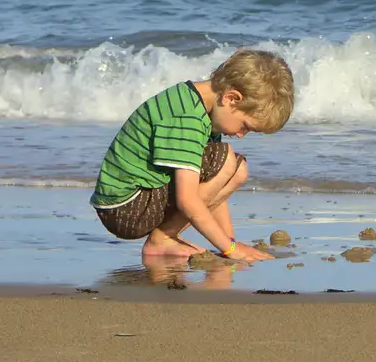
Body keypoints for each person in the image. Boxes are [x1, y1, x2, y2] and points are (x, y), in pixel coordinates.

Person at [91, 49, 294, 263]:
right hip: (126, 208)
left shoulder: (203, 109)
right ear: (231, 98)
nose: (241, 135)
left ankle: (164, 237)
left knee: (236, 167)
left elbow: (214, 184)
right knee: (225, 159)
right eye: (246, 126)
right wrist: (230, 248)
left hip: (134, 202)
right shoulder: (186, 116)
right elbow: (188, 200)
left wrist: (230, 241)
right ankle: (162, 239)